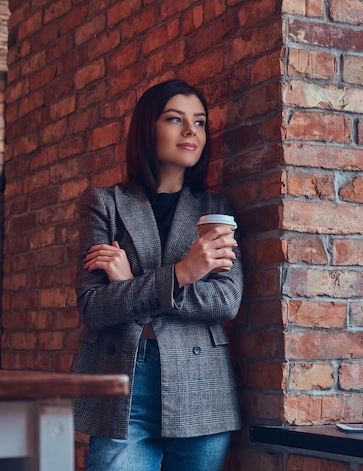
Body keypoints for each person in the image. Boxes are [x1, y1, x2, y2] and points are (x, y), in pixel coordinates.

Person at [70, 79, 243, 471]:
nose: (190, 132)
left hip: (201, 384)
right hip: (126, 380)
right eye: (174, 119)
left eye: (199, 123)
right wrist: (183, 273)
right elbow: (93, 307)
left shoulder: (216, 209)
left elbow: (225, 301)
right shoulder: (105, 204)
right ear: (148, 128)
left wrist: (131, 284)